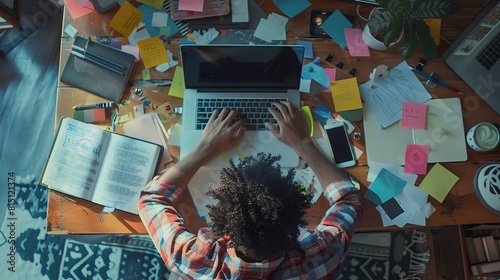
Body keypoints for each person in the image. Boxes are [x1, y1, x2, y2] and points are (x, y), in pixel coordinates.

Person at [138, 101, 364, 279]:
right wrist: (303, 142)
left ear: (222, 222)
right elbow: (348, 199)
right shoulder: (321, 258)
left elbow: (152, 198)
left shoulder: (193, 261)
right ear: (296, 220)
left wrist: (204, 148)